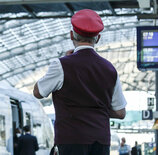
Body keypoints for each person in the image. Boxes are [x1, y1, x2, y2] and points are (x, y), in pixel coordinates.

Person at [33, 9, 127, 155]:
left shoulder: (61, 65)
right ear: (98, 38)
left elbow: (38, 92)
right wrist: (95, 110)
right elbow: (120, 112)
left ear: (72, 35)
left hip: (70, 140)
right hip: (100, 142)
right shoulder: (110, 69)